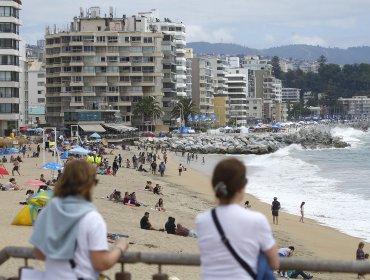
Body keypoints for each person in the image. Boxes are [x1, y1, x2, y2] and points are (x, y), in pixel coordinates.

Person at [30, 160, 128, 280]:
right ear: (89, 184)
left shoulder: (48, 210)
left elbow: (39, 253)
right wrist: (120, 247)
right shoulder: (92, 218)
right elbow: (101, 263)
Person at [196, 158, 279, 279]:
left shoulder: (202, 220)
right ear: (241, 186)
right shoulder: (257, 220)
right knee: (261, 255)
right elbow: (275, 263)